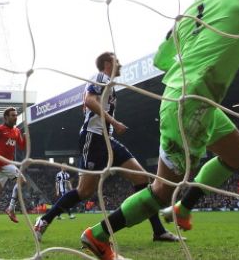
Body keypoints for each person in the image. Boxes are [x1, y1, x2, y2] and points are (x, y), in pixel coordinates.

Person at [79, 0, 239, 259]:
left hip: (192, 100)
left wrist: (193, 57)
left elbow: (161, 59)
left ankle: (183, 208)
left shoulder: (186, 17)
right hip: (191, 103)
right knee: (161, 189)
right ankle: (98, 234)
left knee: (238, 155)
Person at [33, 52, 182, 243]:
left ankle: (158, 231)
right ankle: (45, 219)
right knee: (84, 192)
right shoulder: (100, 77)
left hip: (107, 140)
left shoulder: (110, 86)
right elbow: (88, 100)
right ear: (107, 64)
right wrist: (114, 121)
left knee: (141, 177)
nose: (120, 64)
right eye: (116, 61)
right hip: (93, 139)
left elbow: (89, 102)